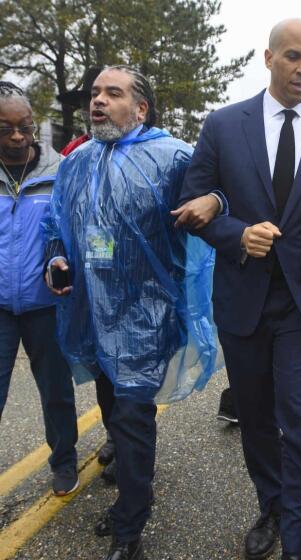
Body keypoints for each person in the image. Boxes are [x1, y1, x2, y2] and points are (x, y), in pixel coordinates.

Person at [179, 19, 301, 560]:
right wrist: (237, 233)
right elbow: (196, 202)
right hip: (245, 299)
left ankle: (298, 539)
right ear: (268, 58)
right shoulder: (223, 125)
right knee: (256, 418)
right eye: (293, 57)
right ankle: (273, 507)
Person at [43, 65, 220, 560]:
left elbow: (211, 210)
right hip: (92, 313)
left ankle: (130, 529)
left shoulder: (173, 157)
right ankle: (125, 464)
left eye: (112, 93)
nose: (97, 101)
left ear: (140, 108)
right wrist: (56, 257)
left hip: (147, 315)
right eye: (95, 93)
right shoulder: (77, 162)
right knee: (110, 403)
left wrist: (216, 201)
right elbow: (57, 222)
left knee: (134, 415)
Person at [0, 85, 80, 496]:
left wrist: (60, 261)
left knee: (55, 392)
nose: (17, 136)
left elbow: (70, 230)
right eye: (6, 128)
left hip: (46, 304)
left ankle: (64, 461)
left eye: (25, 127)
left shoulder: (61, 171)